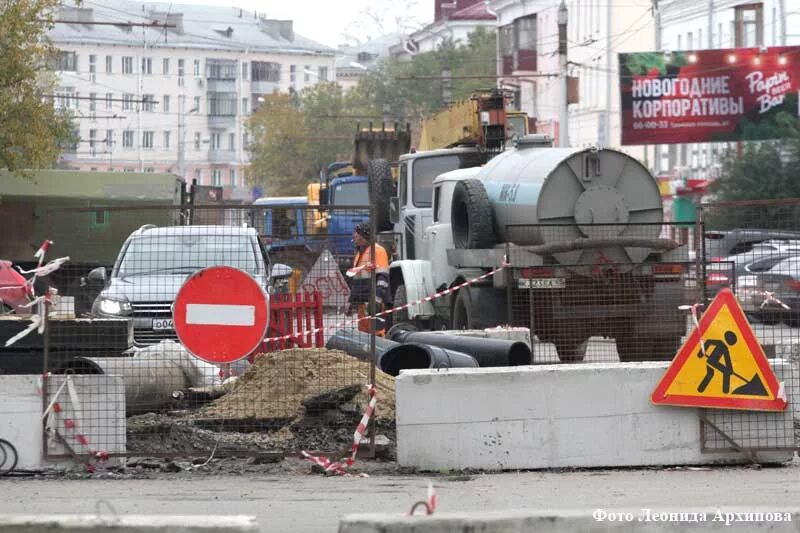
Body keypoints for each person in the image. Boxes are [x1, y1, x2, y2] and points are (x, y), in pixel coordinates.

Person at [344, 222, 391, 336]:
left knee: (377, 334)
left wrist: (377, 299)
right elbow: (357, 280)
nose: (353, 236)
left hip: (372, 302)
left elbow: (382, 277)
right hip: (362, 303)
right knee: (364, 336)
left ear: (362, 235)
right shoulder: (359, 254)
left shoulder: (377, 251)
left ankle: (379, 353)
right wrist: (351, 301)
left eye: (355, 233)